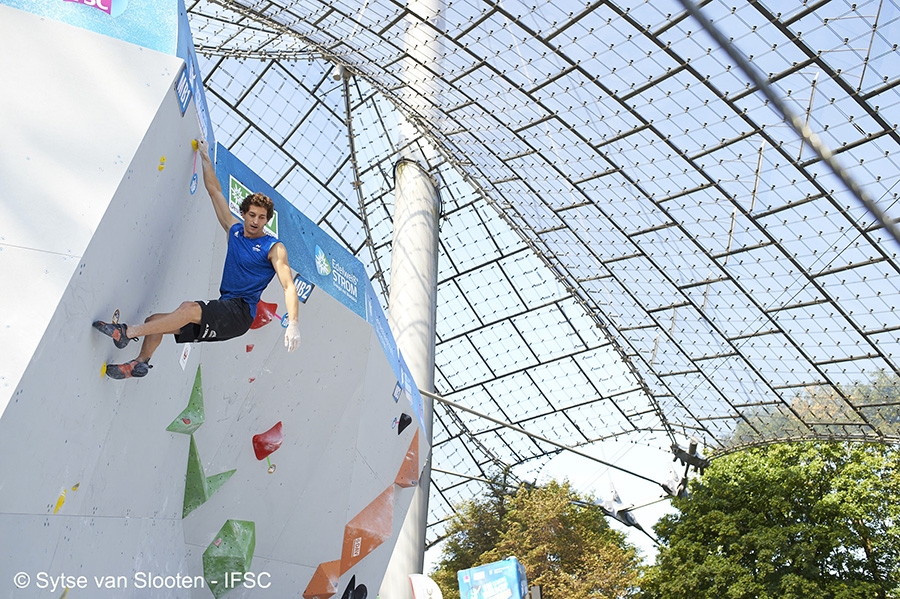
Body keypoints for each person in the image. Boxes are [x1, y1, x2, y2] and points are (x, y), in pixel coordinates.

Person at [93, 139, 301, 379]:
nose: (256, 221)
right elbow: (215, 191)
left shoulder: (272, 247)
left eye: (262, 217)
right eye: (252, 215)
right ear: (243, 214)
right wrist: (204, 157)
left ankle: (127, 332)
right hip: (225, 309)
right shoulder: (233, 230)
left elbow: (288, 286)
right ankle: (140, 363)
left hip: (240, 313)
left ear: (267, 220)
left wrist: (293, 322)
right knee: (157, 321)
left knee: (189, 308)